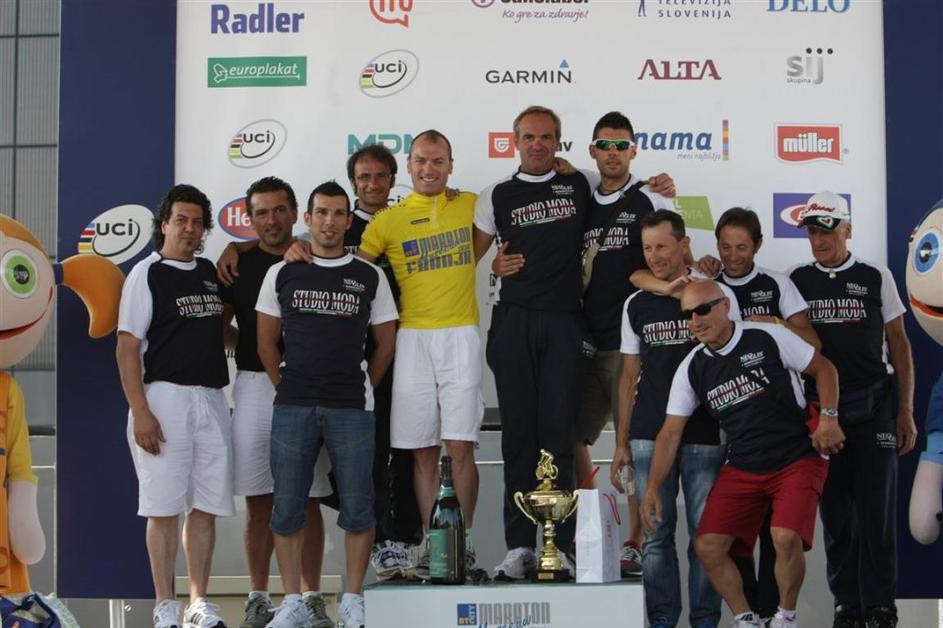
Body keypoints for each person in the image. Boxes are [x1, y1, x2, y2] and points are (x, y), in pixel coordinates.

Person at [477, 105, 677, 580]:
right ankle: (518, 546)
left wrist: (662, 186)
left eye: (547, 137)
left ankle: (562, 545)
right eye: (529, 137)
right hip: (514, 321)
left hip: (567, 323)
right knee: (518, 437)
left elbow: (621, 185)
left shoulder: (581, 183)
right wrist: (492, 266)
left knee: (559, 438)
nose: (538, 144)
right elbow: (467, 255)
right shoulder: (494, 194)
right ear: (515, 141)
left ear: (559, 143)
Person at [644, 279, 845, 628]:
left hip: (796, 455)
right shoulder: (692, 367)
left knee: (784, 536)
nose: (695, 321)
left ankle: (785, 618)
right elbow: (669, 433)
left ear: (725, 306)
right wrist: (651, 488)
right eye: (688, 314)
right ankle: (745, 619)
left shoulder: (767, 335)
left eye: (702, 310)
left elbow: (824, 368)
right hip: (744, 464)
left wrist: (829, 418)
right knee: (708, 546)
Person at [256, 181, 397, 628]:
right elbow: (265, 342)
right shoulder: (282, 272)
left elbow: (386, 341)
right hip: (293, 405)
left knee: (358, 507)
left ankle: (352, 600)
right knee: (287, 507)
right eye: (321, 213)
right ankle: (293, 600)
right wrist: (286, 385)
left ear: (348, 221)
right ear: (308, 218)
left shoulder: (369, 275)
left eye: (338, 213)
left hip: (351, 407)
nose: (330, 221)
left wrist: (364, 384)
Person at [354, 131, 484, 576]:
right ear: (408, 167)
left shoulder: (472, 204)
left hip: (460, 335)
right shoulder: (386, 221)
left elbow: (523, 199)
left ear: (451, 165)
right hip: (411, 338)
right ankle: (435, 544)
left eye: (438, 161)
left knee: (461, 445)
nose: (429, 169)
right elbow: (349, 273)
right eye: (421, 161)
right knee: (422, 451)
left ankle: (463, 542)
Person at [788, 192, 917, 628]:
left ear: (848, 229)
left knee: (877, 514)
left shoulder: (875, 275)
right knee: (837, 516)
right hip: (824, 412)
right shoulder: (796, 279)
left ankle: (881, 609)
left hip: (875, 404)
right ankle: (846, 606)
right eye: (812, 231)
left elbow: (899, 344)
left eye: (827, 231)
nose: (819, 240)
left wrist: (905, 410)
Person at [609, 210, 734, 628]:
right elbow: (628, 376)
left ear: (684, 245)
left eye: (662, 246)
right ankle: (662, 621)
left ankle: (705, 622)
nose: (655, 256)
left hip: (704, 432)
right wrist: (621, 442)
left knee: (706, 537)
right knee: (655, 538)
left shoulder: (710, 293)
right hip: (647, 433)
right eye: (648, 248)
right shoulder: (636, 303)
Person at [116, 184, 232, 628]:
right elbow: (127, 347)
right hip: (164, 400)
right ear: (164, 225)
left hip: (211, 398)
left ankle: (198, 602)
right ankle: (165, 605)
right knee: (163, 507)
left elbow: (217, 332)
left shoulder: (207, 271)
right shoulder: (145, 274)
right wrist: (141, 412)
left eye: (197, 222)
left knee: (205, 506)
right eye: (180, 220)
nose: (189, 229)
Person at [219, 177, 332, 628]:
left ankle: (311, 597)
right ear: (250, 218)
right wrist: (245, 345)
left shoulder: (314, 254)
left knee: (309, 497)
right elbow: (219, 325)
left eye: (280, 210)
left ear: (295, 213)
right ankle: (258, 597)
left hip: (307, 388)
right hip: (253, 387)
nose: (271, 220)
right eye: (262, 212)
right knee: (259, 499)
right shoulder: (237, 263)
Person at [709, 206, 820, 621]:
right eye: (725, 247)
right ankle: (750, 613)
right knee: (734, 531)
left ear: (757, 245)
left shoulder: (776, 283)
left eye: (741, 247)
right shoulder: (707, 284)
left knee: (777, 531)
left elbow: (813, 343)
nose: (732, 256)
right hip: (724, 422)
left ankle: (775, 612)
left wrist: (773, 322)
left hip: (777, 423)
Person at [578, 111, 672, 577]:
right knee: (570, 438)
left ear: (634, 150)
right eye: (605, 145)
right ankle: (585, 526)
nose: (613, 153)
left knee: (632, 443)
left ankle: (634, 539)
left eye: (621, 146)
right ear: (592, 151)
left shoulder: (651, 196)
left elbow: (671, 257)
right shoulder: (578, 194)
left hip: (629, 343)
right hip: (582, 340)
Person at [343, 145, 423, 579]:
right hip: (359, 357)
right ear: (353, 182)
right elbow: (293, 246)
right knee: (369, 450)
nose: (372, 184)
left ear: (394, 180)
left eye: (380, 176)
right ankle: (379, 541)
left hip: (411, 348)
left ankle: (407, 540)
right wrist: (238, 247)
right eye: (363, 177)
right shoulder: (340, 224)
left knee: (409, 446)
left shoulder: (409, 218)